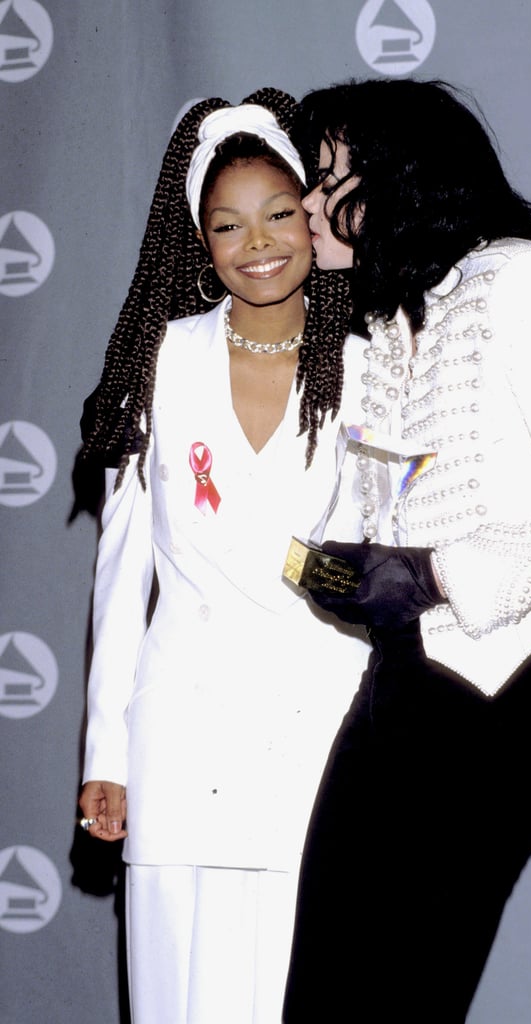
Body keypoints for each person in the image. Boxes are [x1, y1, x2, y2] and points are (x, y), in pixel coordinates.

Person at [281, 78, 531, 1023]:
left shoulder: (518, 283)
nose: (305, 203)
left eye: (328, 176)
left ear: (401, 181)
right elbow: (386, 508)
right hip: (397, 683)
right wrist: (336, 564)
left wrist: (434, 573)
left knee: (402, 994)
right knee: (325, 991)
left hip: (498, 694)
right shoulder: (385, 316)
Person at [76, 88, 369, 1024]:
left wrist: (290, 565)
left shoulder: (371, 362)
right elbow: (121, 581)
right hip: (180, 738)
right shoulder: (155, 362)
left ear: (314, 218)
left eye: (280, 214)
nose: (259, 244)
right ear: (198, 242)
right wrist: (105, 752)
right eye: (228, 225)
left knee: (308, 986)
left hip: (319, 723)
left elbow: (381, 569)